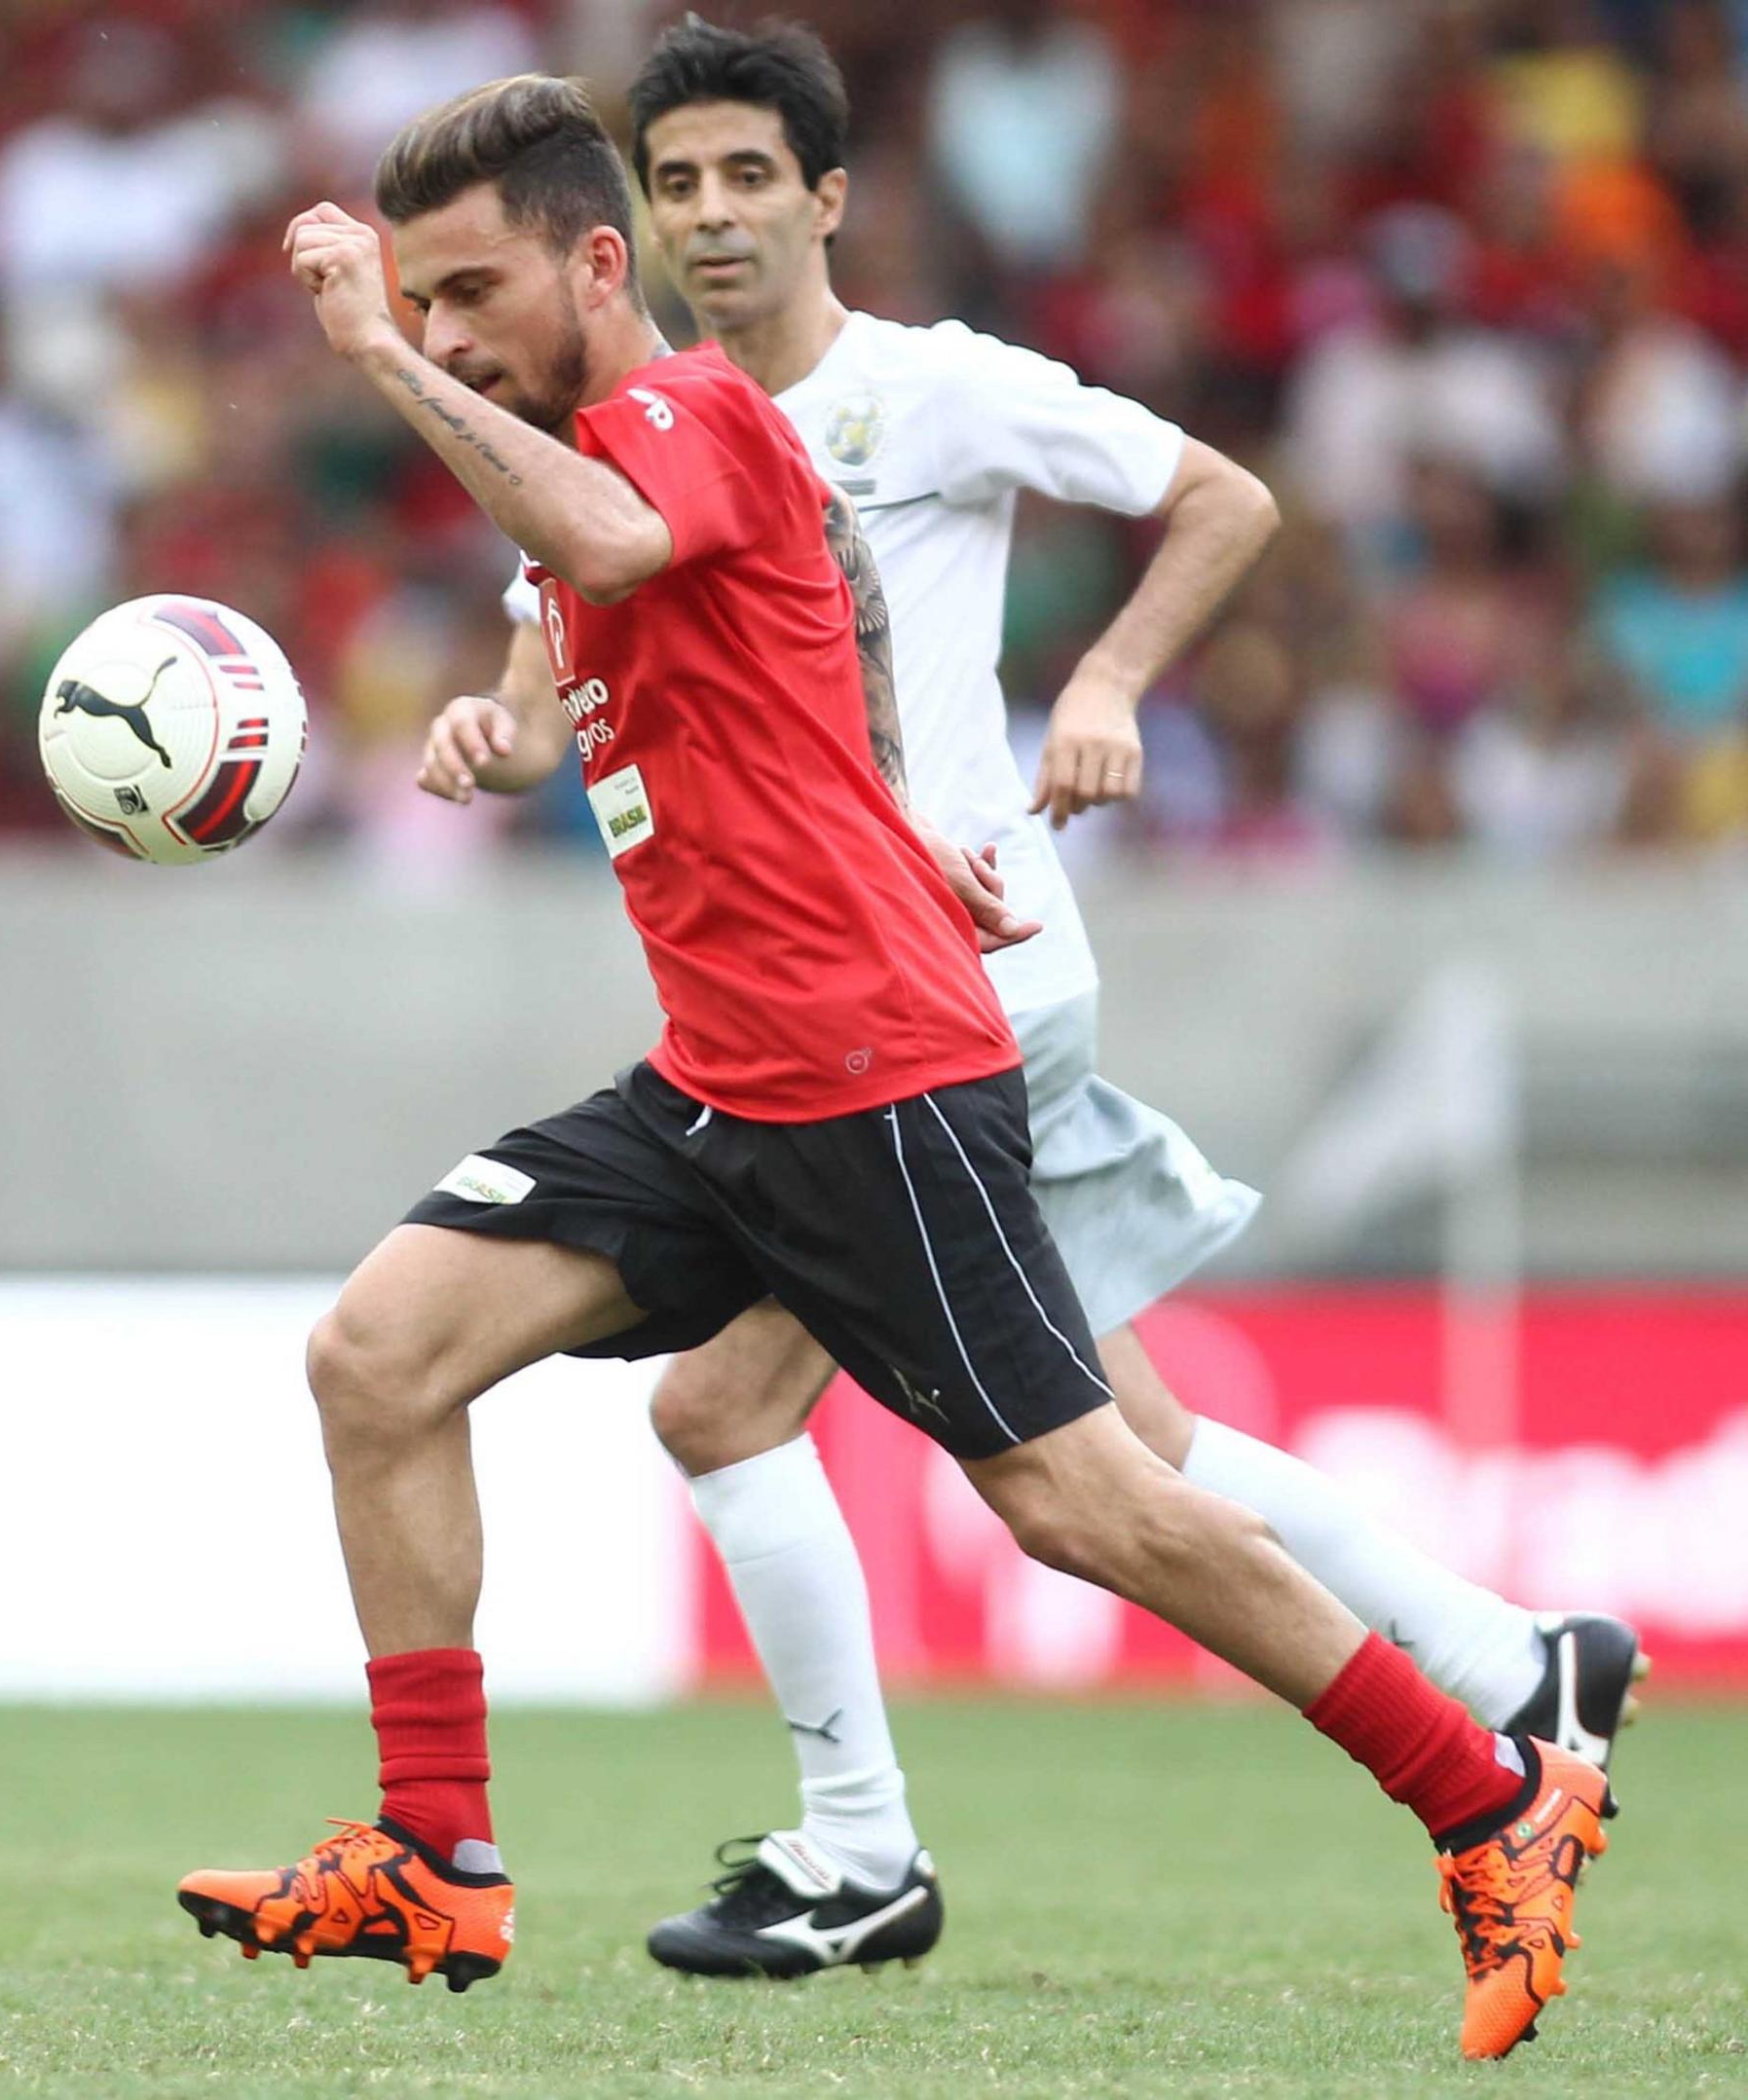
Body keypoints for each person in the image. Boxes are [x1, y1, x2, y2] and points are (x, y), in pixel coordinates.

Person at [179, 74, 1618, 2063]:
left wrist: (358, 353)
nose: (438, 337)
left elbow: (602, 519)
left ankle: (1486, 1786)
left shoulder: (663, 418)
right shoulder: (652, 453)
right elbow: (812, 627)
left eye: (465, 293)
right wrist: (883, 822)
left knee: (1087, 1497)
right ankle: (438, 1851)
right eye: (414, 307)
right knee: (380, 1354)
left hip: (866, 1072)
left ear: (599, 269)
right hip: (722, 1076)